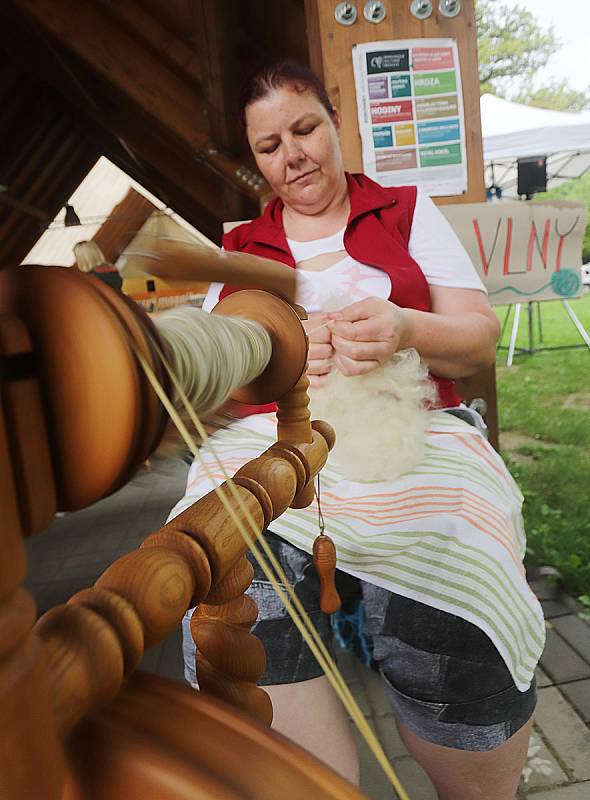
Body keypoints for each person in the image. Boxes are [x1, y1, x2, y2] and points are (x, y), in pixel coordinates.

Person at [170, 61, 545, 799]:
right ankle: (318, 784)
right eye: (270, 145)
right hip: (278, 441)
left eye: (306, 129)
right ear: (256, 157)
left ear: (336, 121)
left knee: (450, 581)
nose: (294, 155)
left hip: (419, 432)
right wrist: (277, 354)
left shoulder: (405, 210)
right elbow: (213, 380)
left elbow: (474, 339)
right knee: (228, 576)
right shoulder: (239, 246)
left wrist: (405, 327)